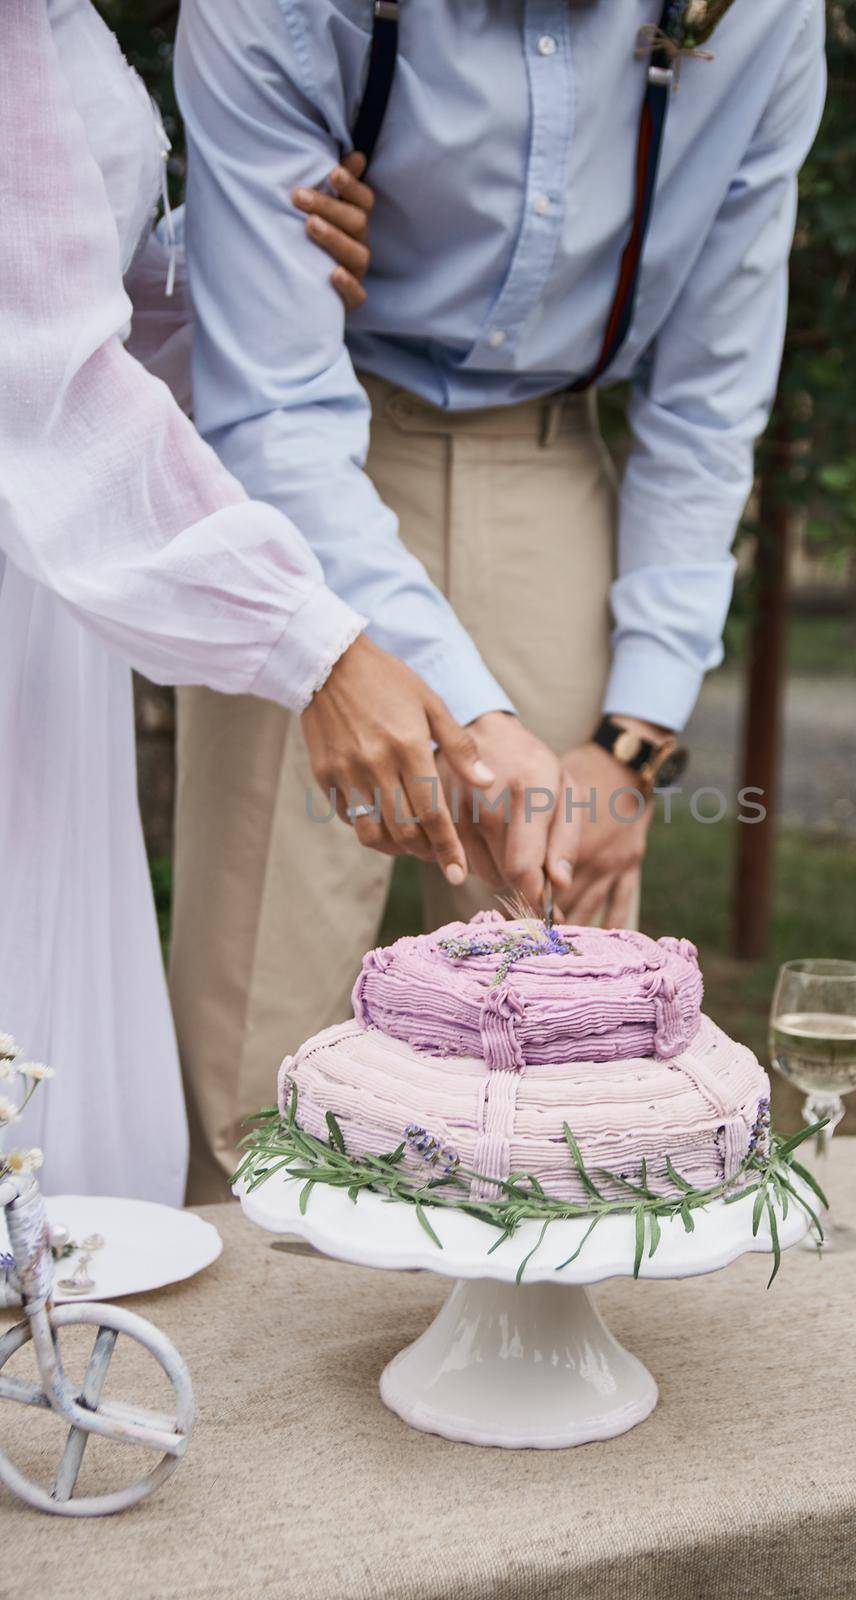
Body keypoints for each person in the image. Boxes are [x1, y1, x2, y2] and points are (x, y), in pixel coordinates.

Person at [173, 0, 827, 1201]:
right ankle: (258, 1344)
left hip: (556, 458)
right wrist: (476, 722)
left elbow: (707, 397)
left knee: (567, 1020)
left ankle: (527, 1342)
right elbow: (268, 404)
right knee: (258, 1021)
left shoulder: (768, 14)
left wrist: (635, 735)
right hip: (314, 450)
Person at [0, 0, 493, 1202]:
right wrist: (316, 648)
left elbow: (79, 319)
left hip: (48, 603)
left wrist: (258, 273)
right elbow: (41, 390)